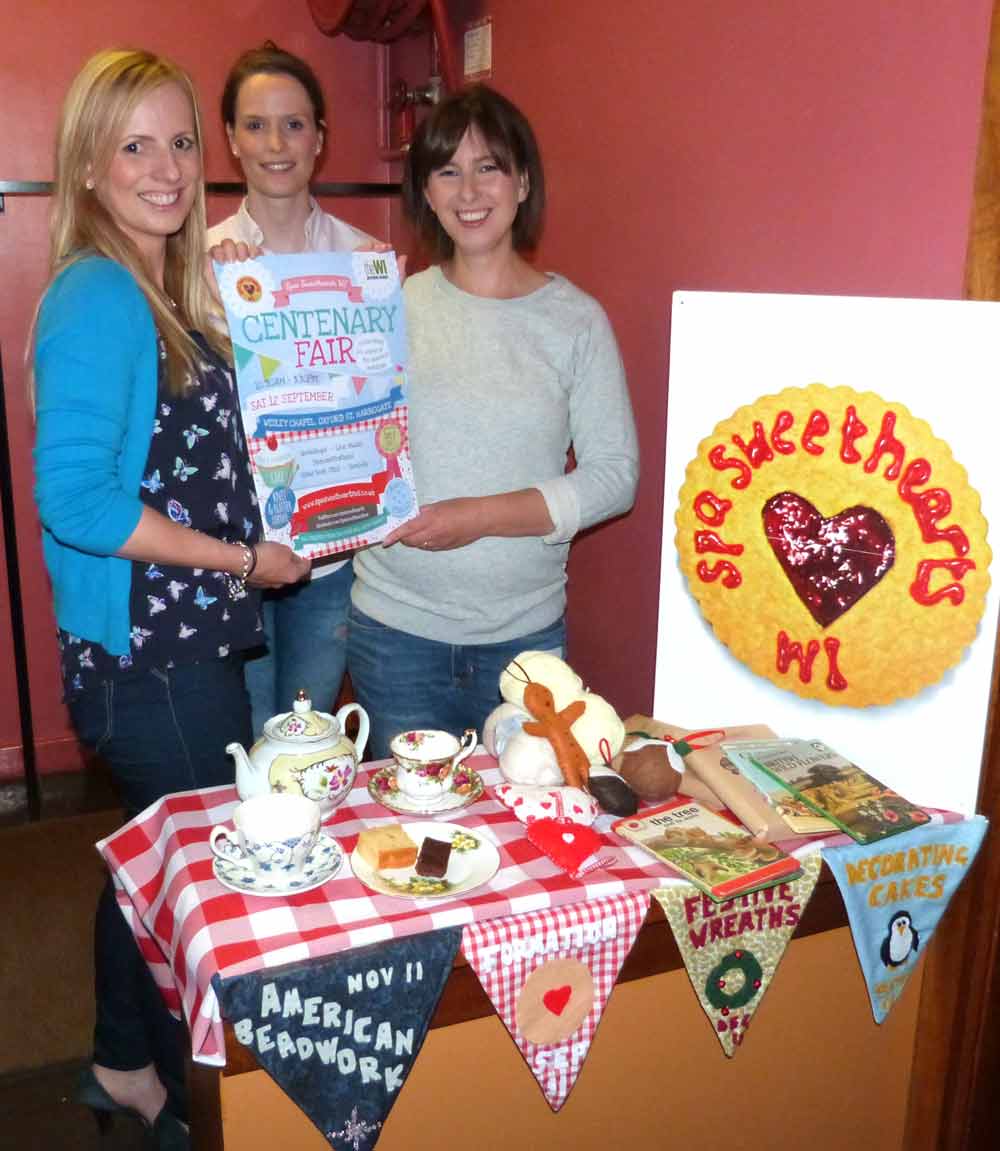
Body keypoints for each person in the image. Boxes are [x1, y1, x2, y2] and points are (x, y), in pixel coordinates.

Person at [31, 49, 309, 1147]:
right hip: (155, 663)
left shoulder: (159, 286)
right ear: (90, 165)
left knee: (153, 867)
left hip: (174, 651)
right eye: (135, 144)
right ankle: (190, 1098)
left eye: (181, 142)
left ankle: (117, 1059)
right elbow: (80, 503)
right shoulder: (99, 290)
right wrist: (242, 561)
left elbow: (190, 459)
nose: (166, 167)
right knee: (200, 897)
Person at [348, 84, 639, 759]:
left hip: (524, 643)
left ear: (524, 181)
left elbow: (614, 476)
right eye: (447, 170)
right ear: (424, 191)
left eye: (490, 166)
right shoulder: (385, 306)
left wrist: (480, 515)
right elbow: (339, 443)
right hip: (394, 633)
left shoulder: (576, 320)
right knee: (414, 839)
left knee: (520, 833)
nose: (468, 189)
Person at [207, 43, 374, 733]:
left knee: (306, 738)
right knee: (241, 743)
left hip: (327, 554)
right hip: (230, 554)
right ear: (230, 141)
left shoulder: (365, 261)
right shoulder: (191, 261)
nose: (276, 144)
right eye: (255, 124)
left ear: (321, 138)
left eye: (295, 124)